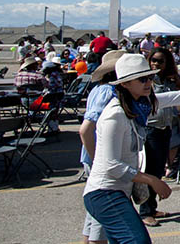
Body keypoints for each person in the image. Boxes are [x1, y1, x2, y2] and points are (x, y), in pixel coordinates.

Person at [83, 54, 180, 244]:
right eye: (142, 79)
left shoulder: (138, 104)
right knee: (138, 240)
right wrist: (151, 180)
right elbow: (111, 165)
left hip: (117, 192)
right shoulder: (115, 114)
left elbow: (163, 99)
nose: (148, 83)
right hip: (104, 192)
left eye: (150, 77)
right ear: (125, 83)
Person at [78, 50, 126, 244]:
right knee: (104, 215)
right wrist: (97, 157)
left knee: (94, 213)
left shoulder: (98, 89)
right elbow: (85, 129)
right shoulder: (109, 92)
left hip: (95, 156)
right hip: (100, 156)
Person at [141, 49, 180, 224]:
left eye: (160, 61)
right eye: (153, 60)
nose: (156, 64)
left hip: (166, 126)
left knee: (158, 169)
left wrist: (176, 77)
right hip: (150, 127)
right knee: (150, 169)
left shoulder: (168, 79)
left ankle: (151, 208)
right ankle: (145, 211)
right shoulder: (147, 79)